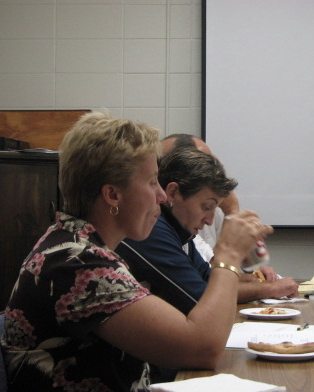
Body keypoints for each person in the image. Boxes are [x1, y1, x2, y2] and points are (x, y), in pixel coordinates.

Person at [0, 111, 272, 391]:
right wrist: (227, 254)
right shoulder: (76, 262)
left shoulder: (80, 246)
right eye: (152, 181)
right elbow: (204, 348)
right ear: (113, 195)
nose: (162, 196)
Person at [116, 147, 299, 315]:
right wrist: (230, 254)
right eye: (206, 207)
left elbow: (209, 280)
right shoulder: (153, 231)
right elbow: (201, 298)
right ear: (172, 193)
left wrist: (255, 281)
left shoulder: (179, 230)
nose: (210, 220)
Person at [161, 133, 279, 282]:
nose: (213, 171)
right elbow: (204, 291)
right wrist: (233, 213)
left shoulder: (202, 216)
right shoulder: (160, 227)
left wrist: (254, 273)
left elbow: (210, 276)